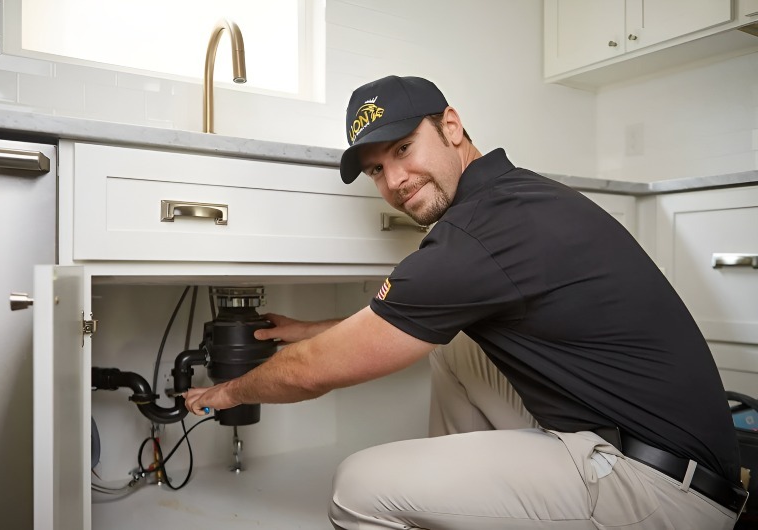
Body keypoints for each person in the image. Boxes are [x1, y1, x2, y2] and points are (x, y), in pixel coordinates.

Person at [184, 75, 747, 529]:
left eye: (404, 149)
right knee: (457, 349)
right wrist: (308, 329)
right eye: (378, 169)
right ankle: (458, 513)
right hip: (645, 451)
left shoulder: (481, 234)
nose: (396, 180)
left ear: (451, 126)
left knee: (356, 487)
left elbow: (311, 375)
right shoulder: (508, 199)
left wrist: (223, 392)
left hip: (661, 495)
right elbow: (404, 320)